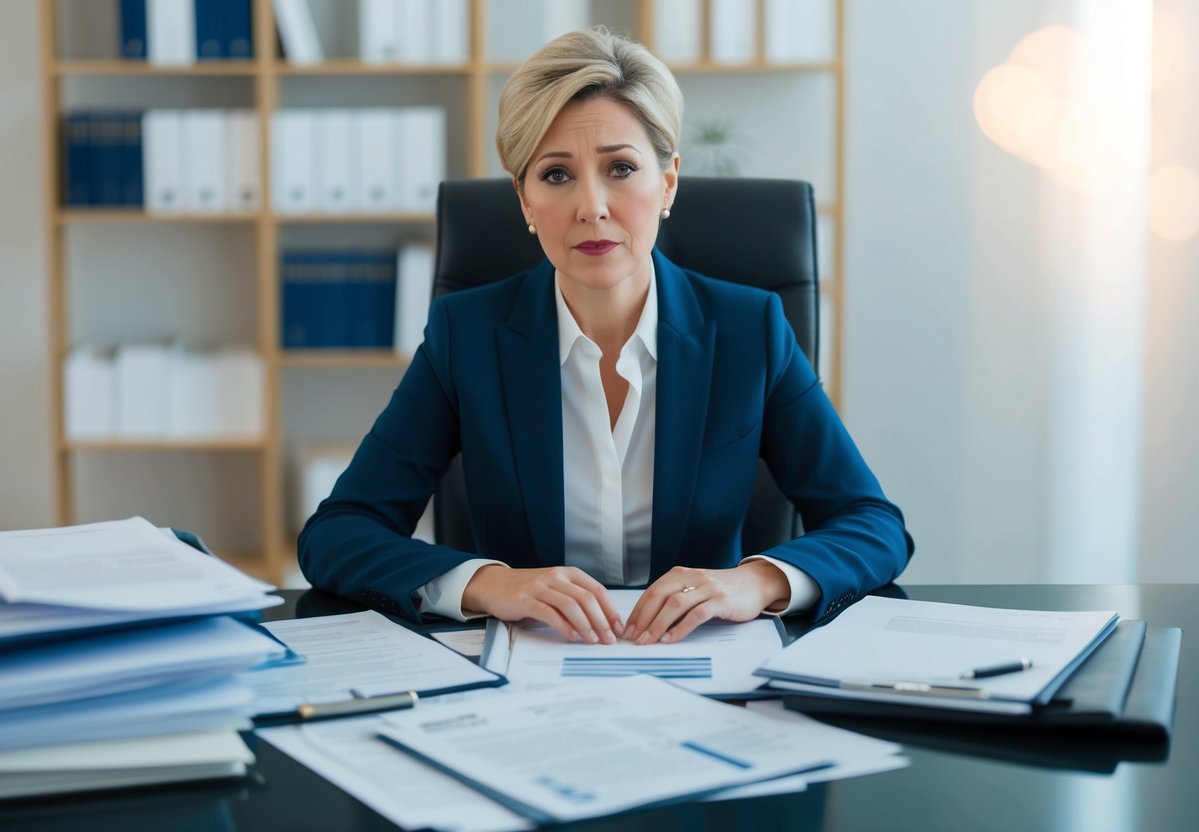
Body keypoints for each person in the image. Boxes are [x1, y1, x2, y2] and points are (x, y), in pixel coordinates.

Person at [298, 27, 912, 646]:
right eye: (556, 175)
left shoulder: (749, 329)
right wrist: (487, 584)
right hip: (528, 670)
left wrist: (754, 582)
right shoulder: (468, 336)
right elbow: (339, 533)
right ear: (525, 199)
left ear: (668, 181)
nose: (592, 206)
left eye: (621, 168)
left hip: (701, 665)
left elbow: (871, 524)